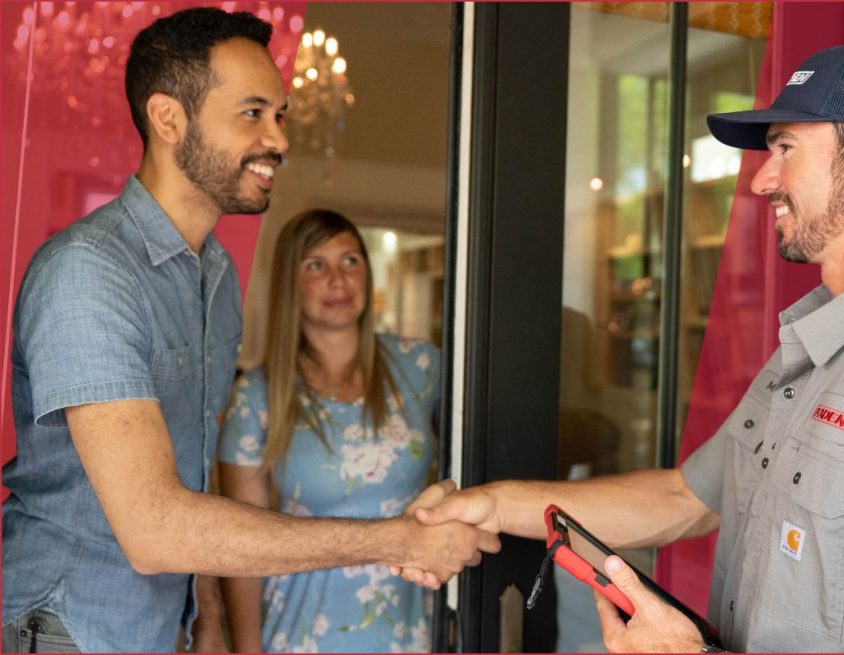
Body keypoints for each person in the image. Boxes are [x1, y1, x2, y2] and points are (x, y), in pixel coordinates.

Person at [402, 43, 844, 653]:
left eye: (785, 148)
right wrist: (491, 505)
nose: (762, 180)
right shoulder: (812, 345)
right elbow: (685, 499)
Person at [1, 8, 498, 653]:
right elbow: (155, 529)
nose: (280, 141)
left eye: (280, 116)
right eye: (252, 113)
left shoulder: (212, 276)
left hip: (157, 629)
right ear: (168, 118)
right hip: (70, 630)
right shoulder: (90, 275)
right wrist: (398, 538)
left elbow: (192, 473)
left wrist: (207, 613)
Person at [216, 209, 442, 652]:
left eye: (350, 261)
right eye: (316, 265)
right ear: (289, 284)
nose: (337, 279)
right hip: (302, 632)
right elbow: (241, 549)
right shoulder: (258, 396)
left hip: (410, 629)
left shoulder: (423, 368)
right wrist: (246, 649)